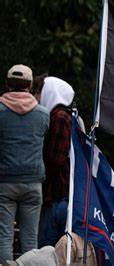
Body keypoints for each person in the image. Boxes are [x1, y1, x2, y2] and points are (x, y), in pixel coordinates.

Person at [0, 65, 49, 260]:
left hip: (4, 182)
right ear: (30, 85)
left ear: (7, 84)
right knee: (30, 239)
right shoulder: (43, 114)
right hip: (33, 182)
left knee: (4, 237)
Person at [36, 76, 75, 247]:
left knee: (47, 247)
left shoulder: (59, 117)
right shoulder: (66, 115)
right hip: (61, 194)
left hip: (56, 194)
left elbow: (55, 158)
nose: (36, 97)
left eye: (38, 92)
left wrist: (40, 177)